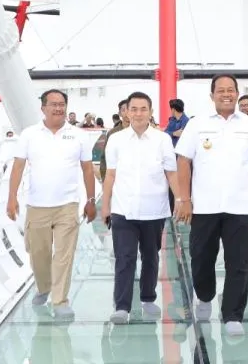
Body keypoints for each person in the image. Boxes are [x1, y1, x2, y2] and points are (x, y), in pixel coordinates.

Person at [175, 74, 248, 338]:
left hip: (241, 208)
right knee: (201, 259)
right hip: (204, 207)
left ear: (237, 93)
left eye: (231, 90)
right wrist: (184, 199)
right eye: (221, 91)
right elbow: (183, 161)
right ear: (212, 96)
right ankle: (205, 297)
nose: (226, 94)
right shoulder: (197, 125)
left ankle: (232, 315)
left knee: (239, 263)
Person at [7, 89, 97, 321]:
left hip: (68, 205)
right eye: (53, 104)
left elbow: (88, 169)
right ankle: (44, 286)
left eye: (62, 104)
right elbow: (18, 167)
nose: (58, 108)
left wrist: (90, 200)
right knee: (39, 253)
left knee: (64, 255)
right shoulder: (29, 135)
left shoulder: (78, 135)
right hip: (37, 206)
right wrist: (11, 197)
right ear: (43, 108)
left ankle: (60, 300)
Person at [101, 91, 184, 324]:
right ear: (126, 112)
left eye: (143, 109)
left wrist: (179, 199)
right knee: (124, 257)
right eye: (133, 109)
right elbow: (110, 175)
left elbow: (171, 172)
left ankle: (148, 297)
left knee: (151, 256)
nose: (138, 113)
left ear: (151, 112)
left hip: (153, 209)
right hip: (122, 208)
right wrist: (105, 206)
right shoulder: (116, 139)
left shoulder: (162, 140)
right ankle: (122, 306)